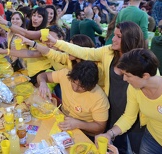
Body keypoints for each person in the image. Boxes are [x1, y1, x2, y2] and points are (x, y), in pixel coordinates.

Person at [47, 21, 146, 153]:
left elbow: (148, 89)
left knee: (132, 148)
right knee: (113, 146)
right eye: (114, 35)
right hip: (112, 109)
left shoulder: (142, 62)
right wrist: (57, 43)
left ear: (130, 39)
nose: (113, 39)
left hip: (134, 116)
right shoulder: (109, 51)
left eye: (118, 36)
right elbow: (86, 52)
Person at [37, 61, 109, 139]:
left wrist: (78, 124)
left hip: (83, 133)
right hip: (62, 120)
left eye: (81, 86)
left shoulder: (99, 98)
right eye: (73, 82)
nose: (75, 88)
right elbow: (42, 76)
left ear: (91, 86)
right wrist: (42, 83)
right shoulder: (65, 74)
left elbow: (100, 127)